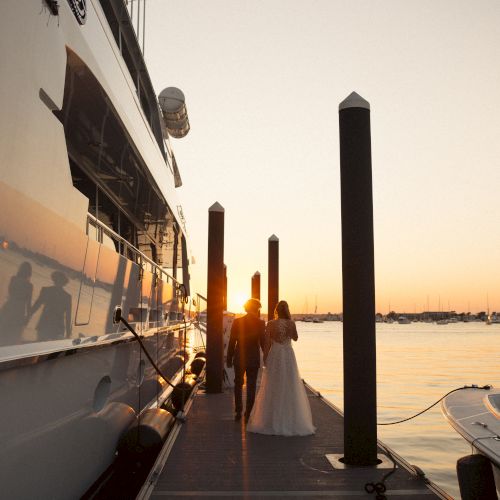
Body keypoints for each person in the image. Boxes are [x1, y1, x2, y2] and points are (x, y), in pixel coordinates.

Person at [247, 300, 315, 436]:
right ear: (287, 310)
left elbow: (267, 344)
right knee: (290, 385)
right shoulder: (291, 323)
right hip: (288, 355)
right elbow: (295, 338)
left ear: (276, 310)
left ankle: (271, 420)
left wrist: (265, 358)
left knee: (273, 385)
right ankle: (290, 420)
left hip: (275, 354)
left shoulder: (271, 324)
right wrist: (290, 329)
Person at [226, 298, 266, 422]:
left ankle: (238, 411)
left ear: (246, 308)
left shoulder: (237, 322)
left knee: (238, 384)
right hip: (253, 358)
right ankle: (248, 413)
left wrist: (229, 358)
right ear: (257, 309)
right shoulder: (260, 323)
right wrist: (268, 358)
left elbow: (232, 342)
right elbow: (263, 343)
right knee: (251, 385)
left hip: (239, 357)